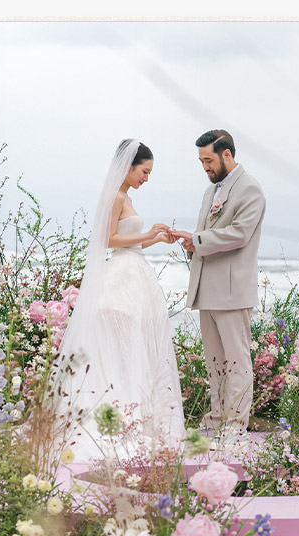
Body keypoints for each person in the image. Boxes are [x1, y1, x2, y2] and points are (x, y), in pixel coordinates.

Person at [56, 140, 186, 461]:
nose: (146, 178)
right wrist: (146, 235)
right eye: (144, 171)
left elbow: (132, 243)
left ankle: (134, 416)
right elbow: (107, 239)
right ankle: (119, 417)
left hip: (134, 273)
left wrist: (155, 237)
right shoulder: (115, 196)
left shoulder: (126, 196)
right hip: (120, 278)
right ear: (128, 167)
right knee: (119, 349)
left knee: (134, 349)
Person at [168, 130, 265, 439]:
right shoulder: (211, 192)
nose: (205, 167)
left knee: (237, 360)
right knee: (215, 361)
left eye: (208, 160)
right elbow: (208, 236)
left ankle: (236, 424)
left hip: (233, 289)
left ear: (227, 154)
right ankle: (216, 417)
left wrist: (197, 239)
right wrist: (192, 242)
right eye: (201, 161)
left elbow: (239, 234)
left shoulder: (250, 189)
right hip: (207, 288)